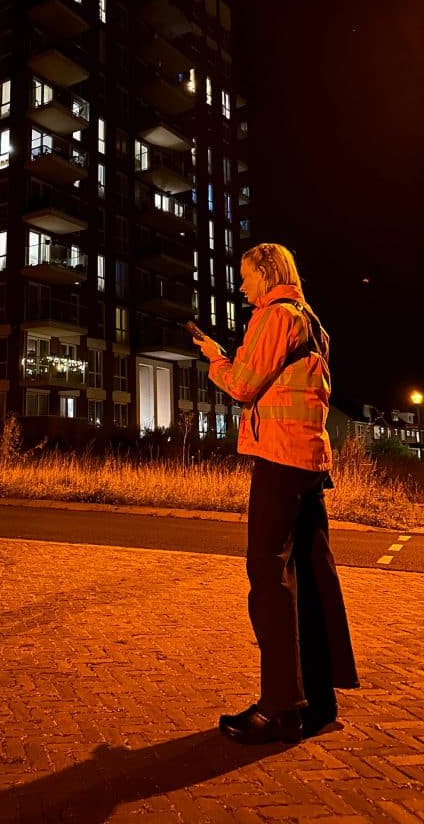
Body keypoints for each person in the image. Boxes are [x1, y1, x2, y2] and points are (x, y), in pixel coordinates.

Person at [193, 242, 358, 744]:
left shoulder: (274, 315)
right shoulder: (311, 322)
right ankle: (320, 699)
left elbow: (243, 385)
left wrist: (216, 361)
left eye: (245, 277)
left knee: (268, 577)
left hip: (281, 459)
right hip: (309, 461)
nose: (242, 287)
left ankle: (279, 707)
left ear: (266, 273)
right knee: (310, 575)